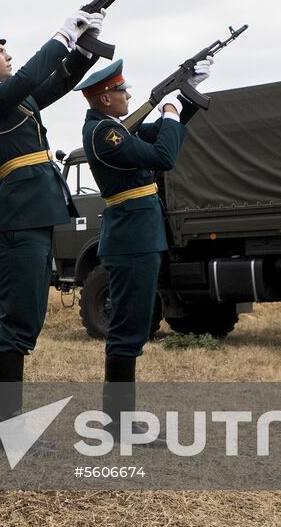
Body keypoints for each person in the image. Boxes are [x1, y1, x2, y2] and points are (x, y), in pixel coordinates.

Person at [0, 11, 102, 443]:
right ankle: (3, 433)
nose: (8, 54)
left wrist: (86, 44)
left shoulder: (14, 99)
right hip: (16, 220)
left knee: (28, 321)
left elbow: (52, 83)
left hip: (33, 217)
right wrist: (61, 35)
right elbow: (31, 77)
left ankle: (6, 428)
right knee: (16, 324)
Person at [74, 56, 211, 435]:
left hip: (137, 238)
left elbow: (165, 133)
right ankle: (119, 425)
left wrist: (187, 93)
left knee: (131, 328)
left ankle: (121, 422)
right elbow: (163, 156)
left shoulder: (116, 128)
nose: (127, 94)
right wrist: (168, 105)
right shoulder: (106, 134)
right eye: (121, 90)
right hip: (131, 241)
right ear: (104, 98)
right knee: (128, 330)